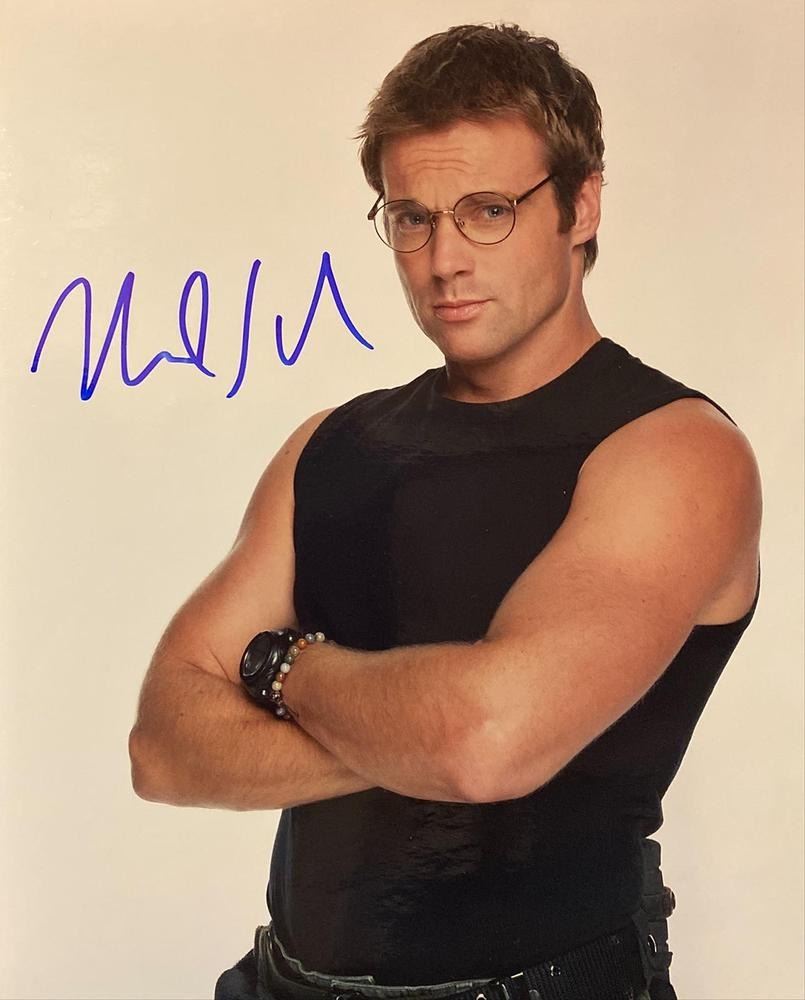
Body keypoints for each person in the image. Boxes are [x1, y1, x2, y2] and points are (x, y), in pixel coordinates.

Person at [128, 22, 762, 1000]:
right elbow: (164, 749)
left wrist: (277, 665)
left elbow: (483, 744)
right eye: (412, 217)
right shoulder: (331, 444)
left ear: (581, 205)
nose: (443, 259)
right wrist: (414, 728)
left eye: (487, 211)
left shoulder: (672, 451)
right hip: (279, 981)